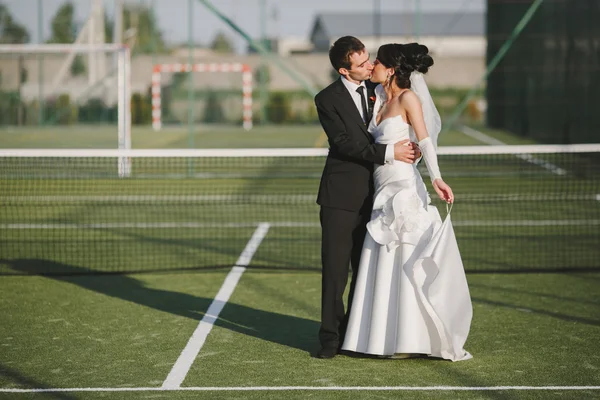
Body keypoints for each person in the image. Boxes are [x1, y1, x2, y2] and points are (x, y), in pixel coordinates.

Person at [340, 43, 473, 361]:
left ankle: (413, 338)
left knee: (405, 260)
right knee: (384, 260)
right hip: (381, 187)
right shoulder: (380, 100)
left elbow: (424, 139)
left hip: (404, 190)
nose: (372, 66)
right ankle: (380, 338)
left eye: (377, 63)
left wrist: (437, 178)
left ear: (391, 69)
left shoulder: (408, 97)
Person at [314, 36, 420, 359]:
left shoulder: (379, 91)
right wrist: (389, 152)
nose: (370, 65)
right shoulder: (326, 99)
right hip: (340, 198)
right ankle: (330, 339)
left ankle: (357, 337)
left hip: (377, 199)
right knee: (335, 272)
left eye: (369, 58)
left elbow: (401, 120)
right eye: (362, 64)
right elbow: (344, 144)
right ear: (345, 71)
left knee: (366, 271)